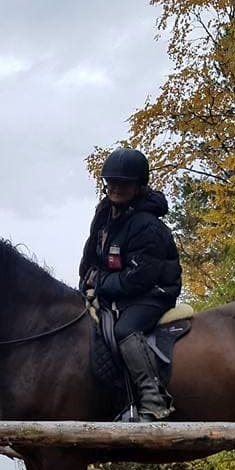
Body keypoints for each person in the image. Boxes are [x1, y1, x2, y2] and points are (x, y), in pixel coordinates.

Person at [79, 147, 182, 421]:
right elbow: (92, 254)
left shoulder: (147, 225)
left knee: (125, 329)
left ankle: (154, 399)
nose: (115, 188)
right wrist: (85, 281)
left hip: (153, 293)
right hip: (118, 289)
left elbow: (138, 279)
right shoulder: (105, 215)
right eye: (111, 182)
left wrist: (98, 282)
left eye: (123, 183)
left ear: (138, 186)